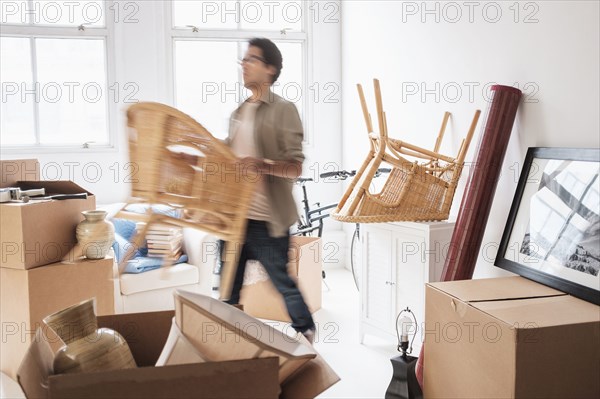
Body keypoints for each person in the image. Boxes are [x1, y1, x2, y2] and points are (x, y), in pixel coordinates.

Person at [221, 37, 316, 343]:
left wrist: (260, 164)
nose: (244, 65)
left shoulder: (283, 110)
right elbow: (225, 155)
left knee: (281, 283)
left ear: (270, 69)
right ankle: (229, 345)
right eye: (243, 60)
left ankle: (306, 333)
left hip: (267, 218)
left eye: (251, 60)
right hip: (236, 218)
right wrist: (193, 157)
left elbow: (295, 167)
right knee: (227, 286)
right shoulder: (239, 112)